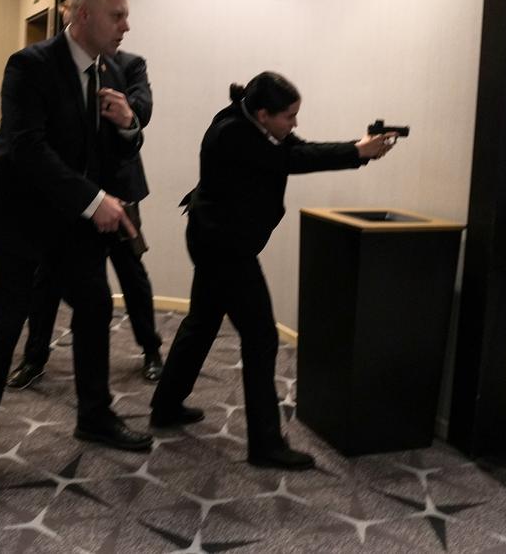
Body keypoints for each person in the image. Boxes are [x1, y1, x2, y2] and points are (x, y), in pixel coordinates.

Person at [0, 0, 150, 504]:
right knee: (4, 328)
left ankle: (94, 416)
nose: (126, 25)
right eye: (118, 15)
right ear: (83, 16)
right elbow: (26, 148)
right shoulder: (30, 65)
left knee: (93, 308)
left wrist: (128, 124)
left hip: (70, 220)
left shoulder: (110, 71)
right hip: (18, 217)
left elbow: (114, 148)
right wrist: (94, 201)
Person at [149, 71, 397, 470]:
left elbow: (300, 148)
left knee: (201, 322)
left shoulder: (251, 122)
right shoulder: (233, 133)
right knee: (262, 337)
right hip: (225, 248)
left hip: (216, 240)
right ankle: (265, 445)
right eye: (289, 116)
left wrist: (358, 150)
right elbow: (293, 159)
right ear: (263, 114)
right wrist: (357, 152)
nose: (294, 124)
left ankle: (166, 405)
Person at [6, 49, 164, 388]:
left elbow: (143, 109)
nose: (122, 26)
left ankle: (151, 350)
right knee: (46, 277)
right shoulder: (52, 66)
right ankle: (34, 358)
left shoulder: (131, 64)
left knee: (131, 273)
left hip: (119, 189)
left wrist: (127, 114)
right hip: (69, 192)